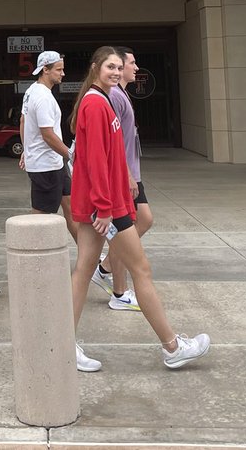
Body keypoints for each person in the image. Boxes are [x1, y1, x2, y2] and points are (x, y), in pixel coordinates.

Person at [69, 46, 209, 373]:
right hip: (105, 207)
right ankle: (172, 347)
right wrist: (105, 208)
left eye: (120, 67)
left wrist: (122, 185)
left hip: (101, 204)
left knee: (83, 272)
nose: (116, 72)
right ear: (95, 69)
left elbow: (108, 156)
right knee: (141, 270)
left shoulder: (101, 100)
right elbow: (96, 162)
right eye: (110, 67)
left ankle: (64, 343)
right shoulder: (95, 103)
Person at [92, 46, 154, 312]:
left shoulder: (120, 94)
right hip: (124, 175)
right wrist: (126, 175)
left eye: (123, 66)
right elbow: (109, 142)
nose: (133, 68)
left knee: (139, 223)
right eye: (130, 63)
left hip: (130, 173)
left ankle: (107, 271)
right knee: (132, 227)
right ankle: (117, 288)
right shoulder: (112, 96)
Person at [20, 50, 76, 239]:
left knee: (71, 208)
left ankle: (89, 258)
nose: (63, 73)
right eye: (59, 69)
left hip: (53, 163)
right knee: (40, 217)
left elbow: (23, 121)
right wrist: (71, 154)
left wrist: (25, 149)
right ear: (45, 69)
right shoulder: (43, 97)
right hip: (46, 166)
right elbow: (48, 135)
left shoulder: (31, 91)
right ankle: (31, 254)